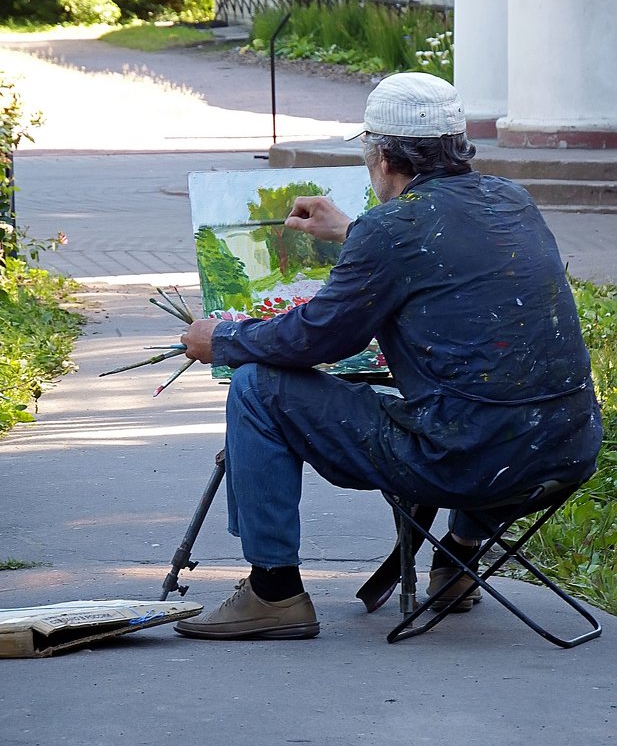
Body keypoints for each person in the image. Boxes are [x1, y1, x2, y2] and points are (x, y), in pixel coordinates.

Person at [174, 73, 602, 641]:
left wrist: (221, 340)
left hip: (464, 460)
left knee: (256, 385)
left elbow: (318, 341)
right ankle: (459, 561)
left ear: (379, 154)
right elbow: (442, 253)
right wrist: (353, 231)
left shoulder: (394, 225)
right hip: (565, 449)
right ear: (457, 143)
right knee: (493, 397)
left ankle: (273, 593)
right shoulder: (511, 199)